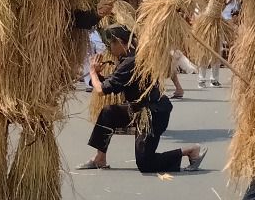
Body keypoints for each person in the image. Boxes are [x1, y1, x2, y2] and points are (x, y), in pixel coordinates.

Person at [78, 26, 205, 173]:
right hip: (138, 108)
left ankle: (191, 150)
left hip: (153, 113)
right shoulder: (129, 58)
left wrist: (93, 72)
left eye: (111, 43)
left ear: (119, 42)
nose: (109, 47)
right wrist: (98, 75)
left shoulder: (131, 61)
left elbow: (101, 90)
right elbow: (112, 84)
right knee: (109, 113)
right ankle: (100, 159)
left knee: (145, 163)